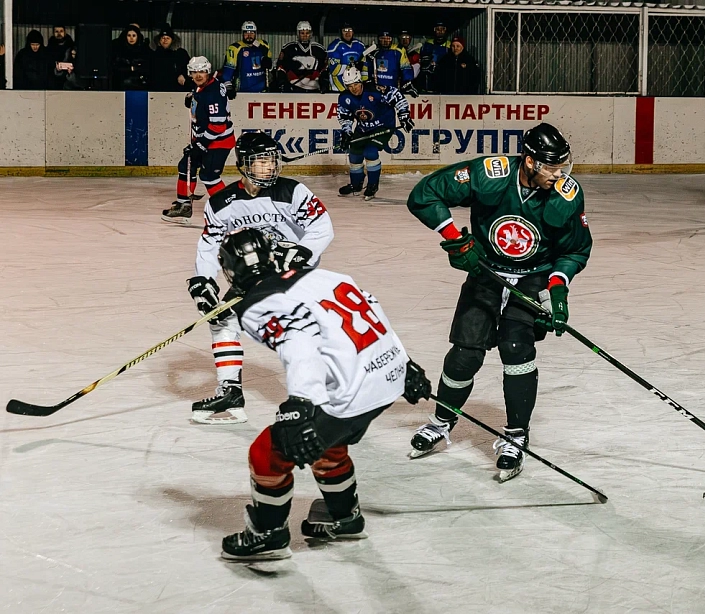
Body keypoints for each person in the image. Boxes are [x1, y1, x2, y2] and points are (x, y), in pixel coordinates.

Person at [217, 227, 431, 561]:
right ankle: (343, 517)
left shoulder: (256, 305)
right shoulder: (327, 275)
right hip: (386, 377)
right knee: (327, 441)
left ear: (231, 270)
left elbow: (298, 338)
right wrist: (406, 364)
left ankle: (268, 535)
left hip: (351, 394)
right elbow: (371, 306)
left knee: (267, 453)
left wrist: (301, 404)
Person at [405, 123, 593, 482]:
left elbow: (576, 249)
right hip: (486, 271)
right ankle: (442, 421)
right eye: (551, 167)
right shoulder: (490, 174)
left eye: (562, 166)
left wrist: (557, 290)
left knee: (516, 347)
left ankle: (516, 436)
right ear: (529, 161)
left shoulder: (566, 194)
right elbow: (424, 194)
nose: (559, 174)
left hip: (534, 276)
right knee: (465, 354)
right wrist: (456, 240)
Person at [185, 132, 334, 425]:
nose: (269, 167)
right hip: (253, 273)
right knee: (221, 318)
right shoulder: (221, 203)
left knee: (297, 330)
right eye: (260, 161)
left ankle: (312, 398)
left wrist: (301, 251)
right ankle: (231, 391)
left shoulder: (293, 191)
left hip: (295, 273)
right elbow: (209, 243)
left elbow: (322, 228)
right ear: (243, 164)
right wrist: (203, 280)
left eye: (272, 160)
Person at [162, 57, 236, 223]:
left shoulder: (213, 93)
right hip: (205, 139)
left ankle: (229, 212)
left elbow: (218, 126)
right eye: (194, 72)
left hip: (219, 142)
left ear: (208, 71)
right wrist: (191, 98)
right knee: (186, 166)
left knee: (209, 176)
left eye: (201, 71)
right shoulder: (203, 86)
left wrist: (201, 145)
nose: (198, 75)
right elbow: (200, 100)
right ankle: (183, 205)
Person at [336, 66, 412, 201]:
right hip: (363, 127)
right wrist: (347, 132)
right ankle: (356, 185)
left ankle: (372, 185)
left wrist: (404, 116)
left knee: (370, 152)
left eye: (355, 84)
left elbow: (396, 95)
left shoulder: (375, 90)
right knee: (354, 153)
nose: (353, 88)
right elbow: (344, 116)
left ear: (360, 81)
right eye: (349, 86)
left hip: (383, 126)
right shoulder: (344, 98)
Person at [272, 20, 327, 93]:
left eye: (307, 33)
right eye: (302, 33)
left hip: (314, 89)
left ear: (310, 34)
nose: (305, 35)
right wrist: (282, 82)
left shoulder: (319, 49)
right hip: (294, 89)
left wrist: (324, 83)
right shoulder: (289, 48)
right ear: (298, 34)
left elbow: (324, 68)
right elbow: (280, 67)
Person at [223, 21, 271, 94]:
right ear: (242, 33)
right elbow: (227, 72)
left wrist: (269, 63)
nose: (249, 36)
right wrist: (228, 87)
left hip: (262, 91)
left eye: (252, 33)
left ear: (256, 33)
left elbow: (271, 67)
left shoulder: (263, 45)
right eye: (246, 33)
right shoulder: (234, 48)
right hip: (242, 91)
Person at [149, 25, 191, 92]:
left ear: (172, 40)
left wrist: (183, 75)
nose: (165, 40)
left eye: (168, 38)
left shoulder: (181, 54)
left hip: (177, 91)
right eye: (163, 38)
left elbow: (190, 69)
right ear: (159, 40)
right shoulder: (153, 55)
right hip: (157, 91)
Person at [326, 23, 366, 92]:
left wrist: (364, 85)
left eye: (350, 30)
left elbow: (365, 69)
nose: (348, 33)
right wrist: (351, 67)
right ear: (340, 32)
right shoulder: (334, 47)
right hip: (338, 88)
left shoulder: (360, 45)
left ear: (353, 31)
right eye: (345, 30)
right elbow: (334, 70)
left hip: (355, 89)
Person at [111, 25, 150, 90]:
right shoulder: (119, 50)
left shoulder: (144, 51)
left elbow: (147, 68)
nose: (131, 38)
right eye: (129, 35)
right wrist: (130, 68)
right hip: (121, 85)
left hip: (141, 86)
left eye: (134, 36)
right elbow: (115, 68)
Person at [417, 22, 451, 93]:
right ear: (434, 30)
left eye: (442, 29)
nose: (440, 31)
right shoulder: (428, 44)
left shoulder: (449, 45)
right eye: (438, 29)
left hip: (443, 77)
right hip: (429, 77)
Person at [47, 25, 77, 90]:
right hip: (54, 86)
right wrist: (56, 71)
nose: (59, 34)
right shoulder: (49, 49)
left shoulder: (72, 47)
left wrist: (71, 73)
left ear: (65, 32)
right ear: (53, 33)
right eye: (56, 31)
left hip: (70, 84)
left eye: (61, 31)